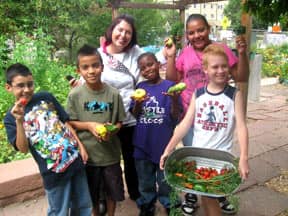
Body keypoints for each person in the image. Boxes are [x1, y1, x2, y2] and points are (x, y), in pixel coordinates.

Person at [161, 13, 250, 214]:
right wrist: (169, 148)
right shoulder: (197, 91)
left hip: (221, 151)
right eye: (191, 32)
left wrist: (244, 156)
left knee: (212, 192)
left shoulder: (232, 91)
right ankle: (192, 192)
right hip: (194, 118)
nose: (197, 35)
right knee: (201, 183)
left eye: (201, 29)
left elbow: (242, 123)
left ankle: (217, 196)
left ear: (208, 28)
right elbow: (182, 122)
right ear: (205, 70)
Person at [3, 63, 92, 216]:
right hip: (53, 173)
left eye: (30, 84)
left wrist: (80, 146)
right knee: (59, 211)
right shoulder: (11, 118)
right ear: (9, 87)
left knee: (83, 206)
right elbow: (23, 149)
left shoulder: (45, 97)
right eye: (20, 86)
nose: (26, 89)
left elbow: (64, 122)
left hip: (74, 159)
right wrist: (19, 120)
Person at [66, 44, 126, 216]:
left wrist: (111, 131)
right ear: (79, 70)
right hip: (88, 156)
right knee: (91, 193)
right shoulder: (75, 95)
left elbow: (120, 122)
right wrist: (89, 125)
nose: (91, 71)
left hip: (110, 155)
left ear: (102, 67)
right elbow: (70, 122)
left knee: (112, 192)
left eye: (95, 65)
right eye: (85, 67)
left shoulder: (113, 94)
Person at [97, 14, 144, 201]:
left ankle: (135, 194)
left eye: (128, 32)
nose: (123, 35)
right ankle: (106, 197)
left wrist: (167, 55)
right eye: (120, 30)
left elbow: (152, 61)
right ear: (112, 30)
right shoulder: (99, 53)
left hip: (130, 116)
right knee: (105, 159)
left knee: (132, 159)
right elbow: (88, 74)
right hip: (106, 118)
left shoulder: (136, 52)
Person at [129, 52, 182, 216]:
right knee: (145, 180)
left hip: (163, 144)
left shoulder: (170, 87)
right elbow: (135, 114)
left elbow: (175, 116)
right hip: (142, 143)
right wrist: (138, 104)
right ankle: (147, 203)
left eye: (150, 64)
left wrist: (173, 99)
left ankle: (169, 202)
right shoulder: (140, 88)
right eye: (142, 68)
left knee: (165, 179)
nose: (147, 69)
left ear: (159, 64)